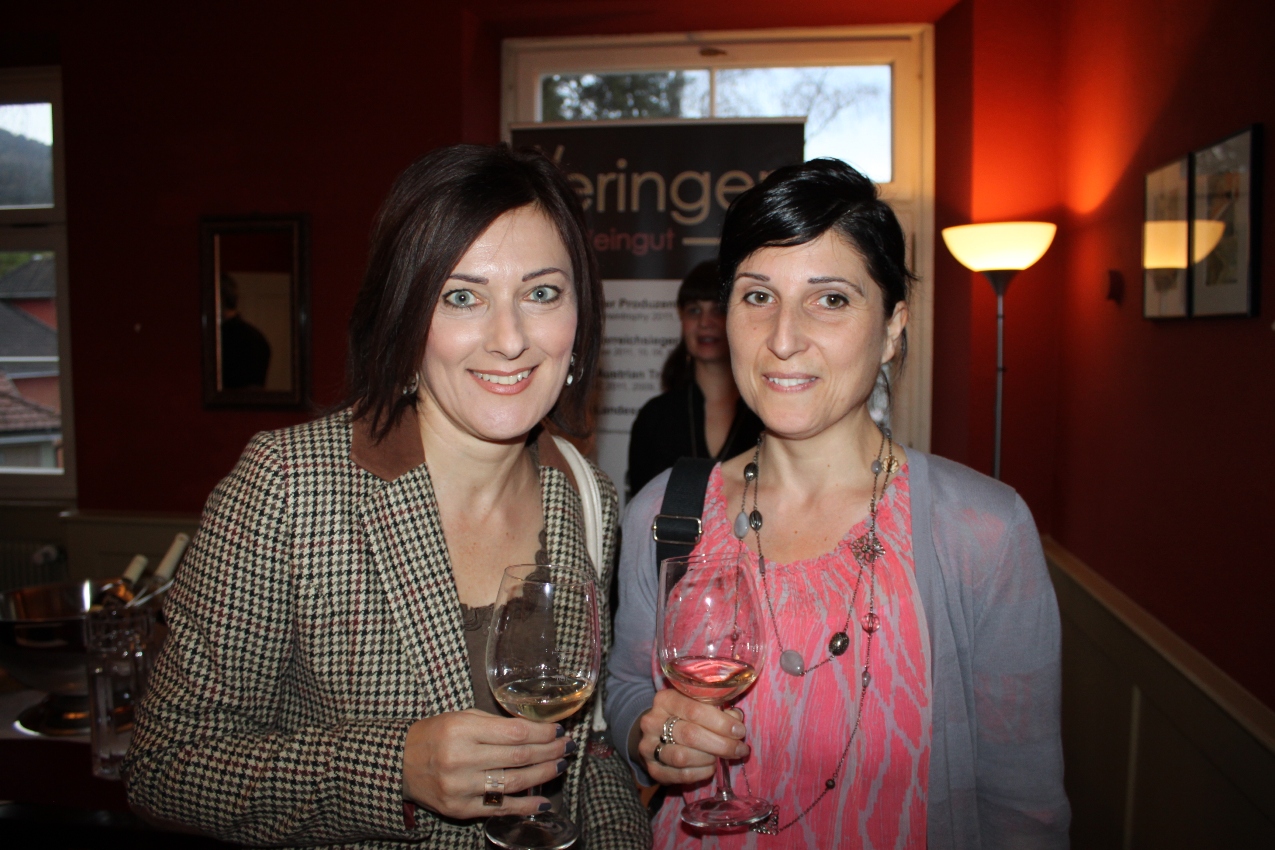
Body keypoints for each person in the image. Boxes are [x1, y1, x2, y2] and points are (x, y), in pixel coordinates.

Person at [125, 145, 650, 849]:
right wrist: (392, 768)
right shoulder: (289, 487)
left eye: (542, 293)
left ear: (579, 316)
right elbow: (165, 765)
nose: (510, 339)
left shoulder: (587, 498)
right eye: (461, 296)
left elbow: (587, 751)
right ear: (405, 316)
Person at [607, 159, 1070, 848]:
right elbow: (625, 691)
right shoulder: (664, 513)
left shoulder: (981, 531)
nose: (783, 338)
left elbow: (1022, 809)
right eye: (757, 296)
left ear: (891, 327)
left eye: (829, 299)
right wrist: (656, 732)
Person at [627, 260, 764, 498]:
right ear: (681, 320)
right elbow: (642, 508)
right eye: (694, 310)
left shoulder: (767, 415)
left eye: (718, 309)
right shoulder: (655, 417)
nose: (704, 322)